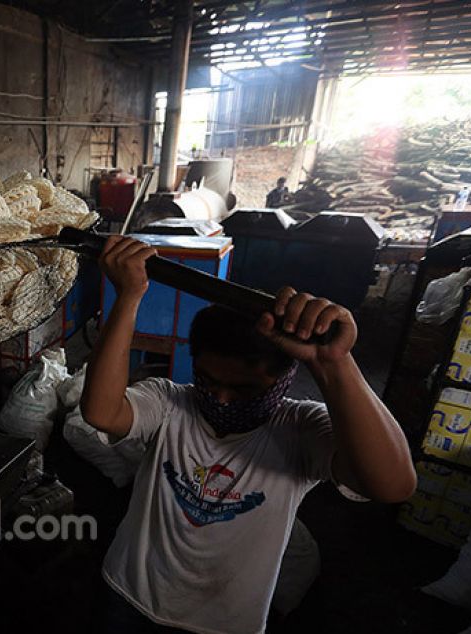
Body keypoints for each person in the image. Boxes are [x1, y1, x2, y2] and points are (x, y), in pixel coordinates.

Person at [83, 236, 416, 634]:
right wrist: (128, 297)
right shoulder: (171, 403)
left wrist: (335, 363)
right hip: (129, 596)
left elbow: (393, 485)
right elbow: (101, 411)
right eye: (208, 381)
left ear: (285, 378)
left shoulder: (301, 429)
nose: (221, 399)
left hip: (223, 623)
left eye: (243, 389)